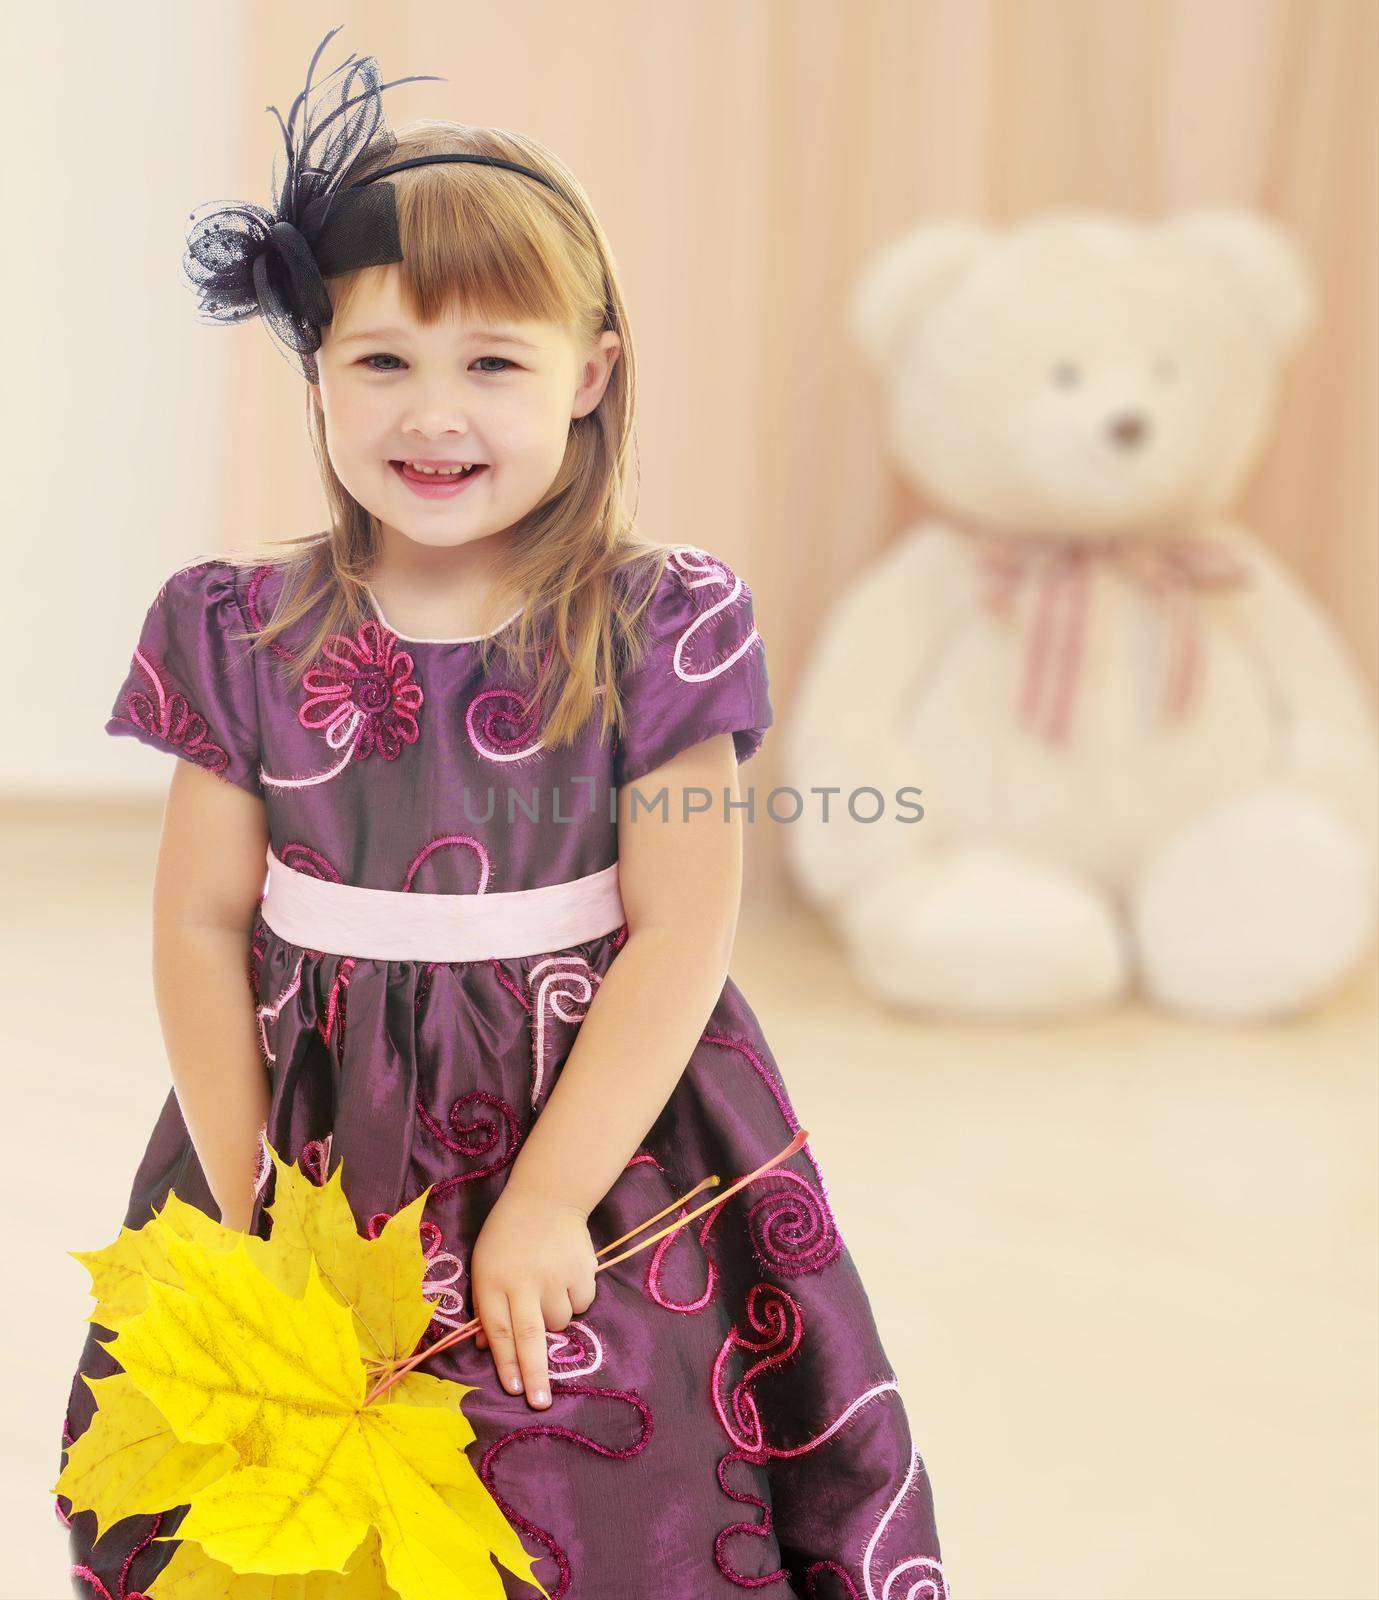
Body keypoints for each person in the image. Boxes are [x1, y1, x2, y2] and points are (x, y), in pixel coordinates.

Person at [56, 28, 947, 1600]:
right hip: (315, 1110)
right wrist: (237, 1154)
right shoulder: (231, 622)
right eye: (381, 361)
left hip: (592, 1113)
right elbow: (201, 913)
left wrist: (545, 1202)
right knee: (283, 1490)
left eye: (493, 363)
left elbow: (682, 929)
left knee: (588, 1452)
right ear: (315, 369)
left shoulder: (666, 617)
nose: (433, 412)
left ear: (590, 372)